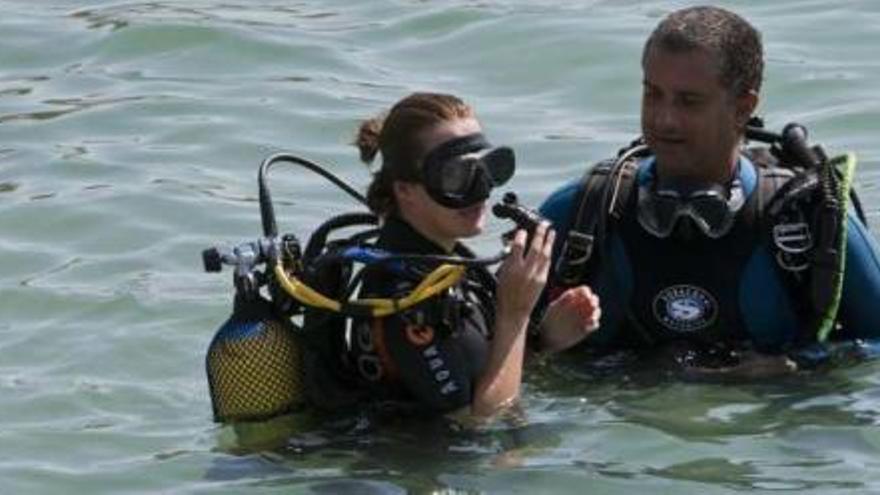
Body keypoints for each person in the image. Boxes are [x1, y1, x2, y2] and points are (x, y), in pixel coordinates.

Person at [537, 6, 880, 373]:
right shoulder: (579, 214)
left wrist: (799, 364)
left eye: (689, 102)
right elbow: (490, 348)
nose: (664, 119)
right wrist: (542, 341)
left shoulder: (810, 219)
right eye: (653, 94)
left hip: (766, 424)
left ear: (743, 107)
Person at [304, 92, 600, 418]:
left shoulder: (442, 266)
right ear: (405, 190)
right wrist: (515, 314)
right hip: (406, 466)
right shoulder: (406, 301)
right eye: (456, 176)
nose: (481, 190)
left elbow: (472, 373)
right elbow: (480, 428)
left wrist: (541, 341)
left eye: (487, 168)